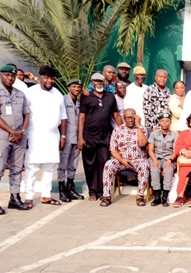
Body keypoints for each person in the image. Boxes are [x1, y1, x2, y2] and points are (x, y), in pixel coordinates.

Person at [0, 65, 31, 214]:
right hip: (2, 138)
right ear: (1, 75)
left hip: (19, 138)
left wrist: (21, 131)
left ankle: (15, 198)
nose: (10, 78)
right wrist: (12, 131)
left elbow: (27, 115)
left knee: (17, 169)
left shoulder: (20, 94)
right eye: (7, 75)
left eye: (12, 76)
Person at [23, 65, 67, 208]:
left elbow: (63, 117)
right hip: (35, 134)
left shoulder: (58, 94)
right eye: (47, 78)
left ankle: (46, 196)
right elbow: (24, 115)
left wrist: (63, 136)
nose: (50, 81)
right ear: (40, 77)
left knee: (49, 166)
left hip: (53, 135)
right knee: (32, 166)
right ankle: (29, 197)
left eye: (52, 78)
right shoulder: (30, 92)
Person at [78, 72, 122, 201]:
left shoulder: (110, 97)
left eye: (101, 81)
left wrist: (123, 131)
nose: (99, 83)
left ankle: (103, 190)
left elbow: (116, 116)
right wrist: (80, 137)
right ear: (92, 83)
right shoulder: (86, 97)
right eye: (96, 81)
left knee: (103, 164)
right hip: (89, 136)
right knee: (89, 164)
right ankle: (93, 192)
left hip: (105, 136)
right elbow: (81, 118)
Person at [99, 109, 149, 207]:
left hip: (138, 159)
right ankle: (107, 196)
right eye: (128, 118)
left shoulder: (141, 129)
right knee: (108, 165)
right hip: (121, 160)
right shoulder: (117, 130)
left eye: (133, 117)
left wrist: (138, 125)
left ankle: (140, 196)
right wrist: (122, 161)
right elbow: (113, 150)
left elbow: (142, 144)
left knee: (145, 165)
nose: (131, 120)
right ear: (124, 118)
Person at [58, 79, 85, 203]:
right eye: (74, 86)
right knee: (63, 164)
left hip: (76, 137)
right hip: (66, 136)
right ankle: (62, 189)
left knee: (73, 164)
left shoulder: (79, 102)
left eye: (79, 87)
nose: (77, 89)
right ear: (69, 87)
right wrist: (61, 136)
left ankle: (70, 186)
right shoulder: (62, 100)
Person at [148, 113, 178, 207]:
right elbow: (150, 150)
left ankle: (165, 196)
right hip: (156, 157)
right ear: (159, 122)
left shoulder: (174, 134)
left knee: (168, 170)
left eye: (167, 121)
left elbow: (175, 151)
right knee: (154, 169)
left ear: (170, 122)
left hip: (168, 158)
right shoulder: (154, 134)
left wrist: (170, 160)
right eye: (162, 121)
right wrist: (154, 160)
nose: (165, 123)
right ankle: (157, 196)